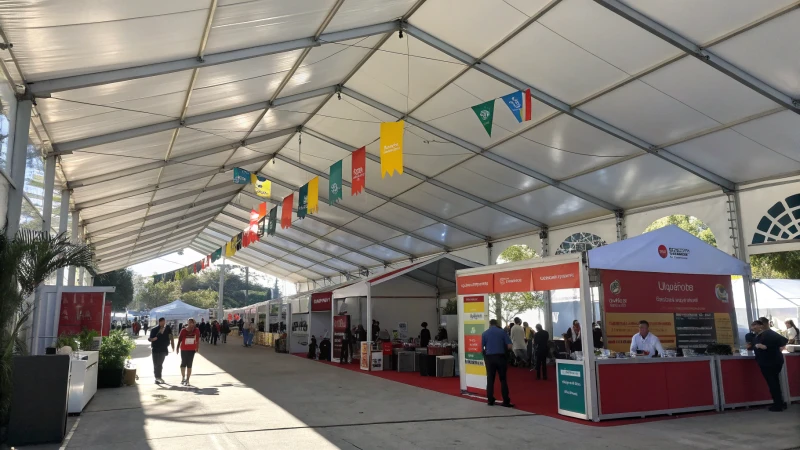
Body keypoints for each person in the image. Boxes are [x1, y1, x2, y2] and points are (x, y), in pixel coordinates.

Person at [752, 319, 789, 412]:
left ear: (762, 325)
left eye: (755, 325)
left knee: (773, 383)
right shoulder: (762, 335)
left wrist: (767, 347)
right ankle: (779, 402)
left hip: (770, 362)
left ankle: (778, 405)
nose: (753, 327)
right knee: (774, 382)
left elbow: (783, 341)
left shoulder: (768, 333)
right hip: (770, 361)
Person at [482, 319, 513, 408]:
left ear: (490, 324)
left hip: (489, 358)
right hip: (501, 357)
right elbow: (509, 346)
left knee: (490, 379)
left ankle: (490, 399)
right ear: (497, 324)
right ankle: (506, 401)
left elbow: (482, 348)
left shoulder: (485, 333)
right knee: (503, 379)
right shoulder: (502, 332)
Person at [148, 317, 174, 384]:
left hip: (163, 349)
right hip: (155, 349)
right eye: (162, 322)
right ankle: (157, 377)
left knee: (160, 364)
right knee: (156, 364)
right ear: (159, 322)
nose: (164, 323)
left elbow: (171, 336)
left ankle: (158, 377)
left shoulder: (167, 328)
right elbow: (150, 338)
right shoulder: (154, 329)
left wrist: (172, 344)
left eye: (164, 322)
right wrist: (153, 339)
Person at [176, 318, 201, 386]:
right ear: (187, 323)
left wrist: (197, 347)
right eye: (189, 322)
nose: (190, 324)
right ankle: (183, 377)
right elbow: (180, 339)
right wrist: (177, 348)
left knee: (189, 364)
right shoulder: (183, 330)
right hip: (184, 349)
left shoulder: (196, 330)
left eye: (192, 323)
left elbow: (197, 340)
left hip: (191, 349)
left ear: (194, 323)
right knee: (183, 363)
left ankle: (188, 379)